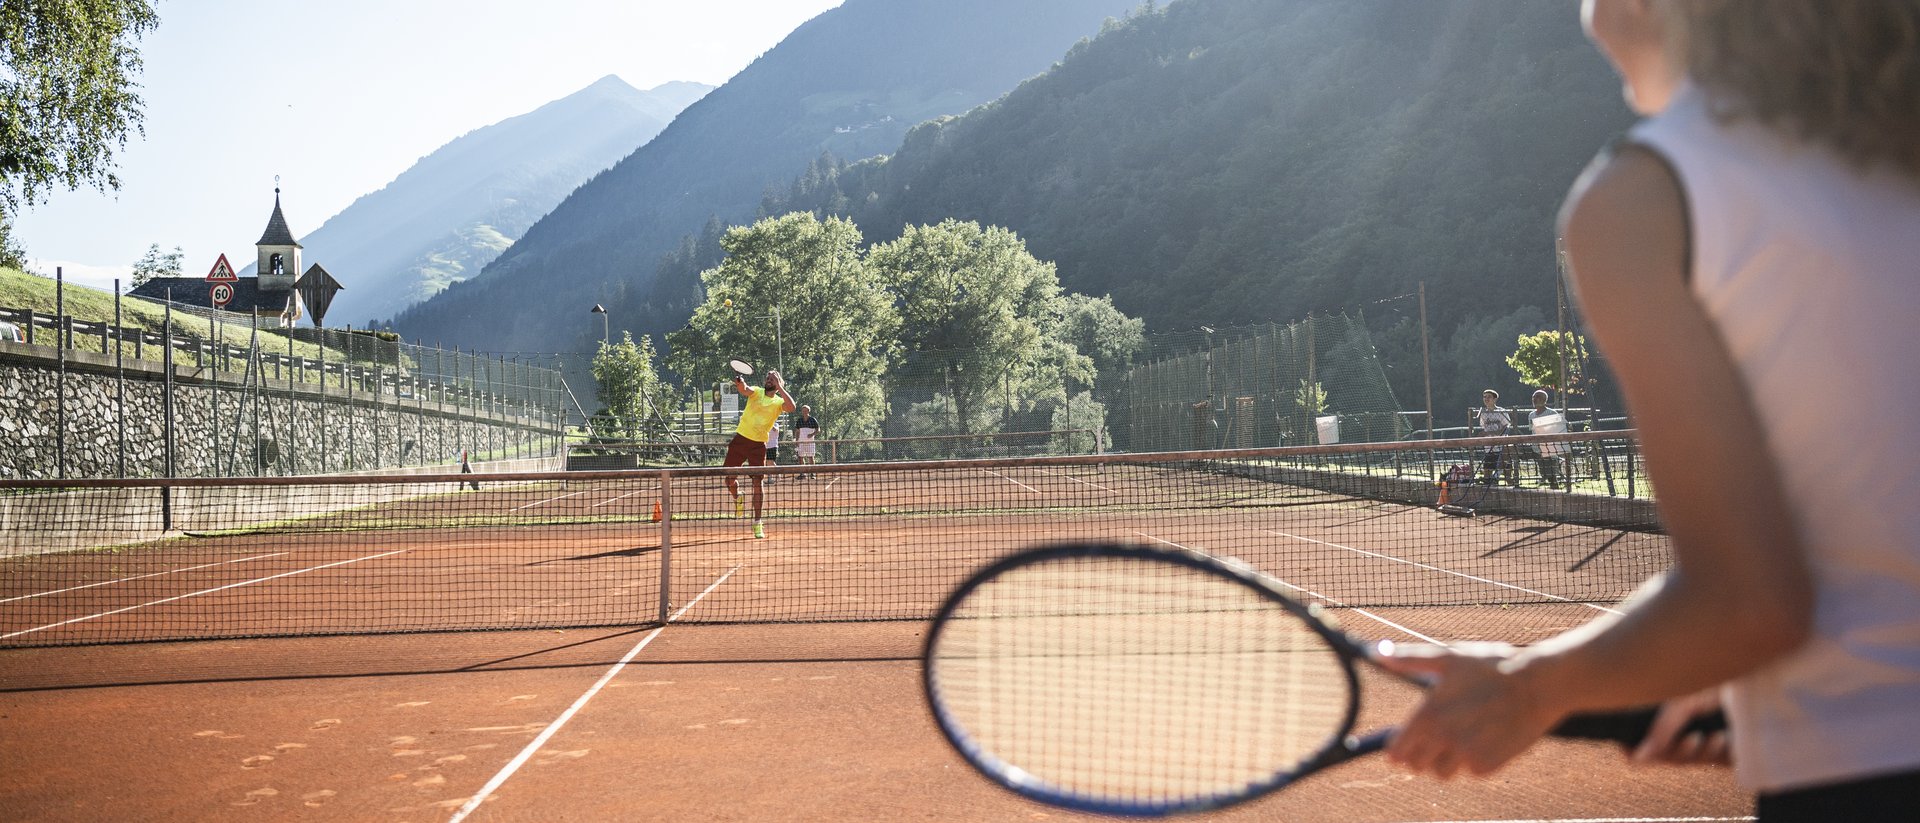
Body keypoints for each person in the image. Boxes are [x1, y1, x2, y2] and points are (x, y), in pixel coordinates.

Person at [1382, 2, 1920, 819]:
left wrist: (1531, 689)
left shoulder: (1641, 201)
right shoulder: (1891, 135)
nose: (1588, 20)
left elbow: (1751, 604)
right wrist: (1730, 695)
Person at [723, 368, 796, 539]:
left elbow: (792, 407)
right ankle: (738, 497)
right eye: (768, 378)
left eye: (773, 378)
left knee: (758, 483)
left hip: (758, 446)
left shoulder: (779, 402)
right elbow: (744, 389)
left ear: (778, 383)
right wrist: (740, 383)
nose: (769, 380)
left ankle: (757, 523)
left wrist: (780, 386)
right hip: (740, 440)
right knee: (728, 479)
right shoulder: (756, 392)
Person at [1522, 389, 1566, 489]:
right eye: (1534, 397)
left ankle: (1556, 490)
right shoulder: (1531, 415)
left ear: (1544, 400)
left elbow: (1557, 431)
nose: (1535, 399)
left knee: (1551, 476)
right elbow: (1532, 430)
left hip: (1549, 449)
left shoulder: (1552, 413)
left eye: (1538, 397)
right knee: (1544, 473)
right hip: (1536, 449)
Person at [1473, 389, 1512, 485]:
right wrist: (1482, 435)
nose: (1486, 399)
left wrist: (1493, 434)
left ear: (1495, 399)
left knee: (1507, 475)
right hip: (1488, 447)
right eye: (1484, 397)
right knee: (1487, 473)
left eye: (1489, 397)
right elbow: (1484, 428)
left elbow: (1506, 427)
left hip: (1501, 446)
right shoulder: (1483, 413)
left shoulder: (1502, 411)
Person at [793, 405, 821, 478]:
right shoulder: (799, 420)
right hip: (801, 442)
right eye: (803, 411)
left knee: (810, 457)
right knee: (800, 457)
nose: (804, 412)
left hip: (810, 443)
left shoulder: (813, 419)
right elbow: (797, 431)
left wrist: (812, 434)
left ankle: (812, 474)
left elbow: (818, 430)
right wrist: (797, 441)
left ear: (809, 411)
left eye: (806, 411)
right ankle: (803, 474)